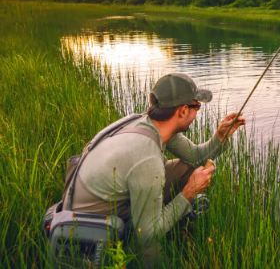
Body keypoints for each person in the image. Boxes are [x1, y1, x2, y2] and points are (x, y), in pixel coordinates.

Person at [63, 73, 245, 264]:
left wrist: (220, 135)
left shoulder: (151, 124)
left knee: (186, 167)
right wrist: (188, 193)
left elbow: (196, 157)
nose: (197, 112)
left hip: (109, 198)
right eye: (196, 106)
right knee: (153, 247)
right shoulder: (147, 157)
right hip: (94, 223)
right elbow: (146, 234)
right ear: (183, 111)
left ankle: (168, 220)